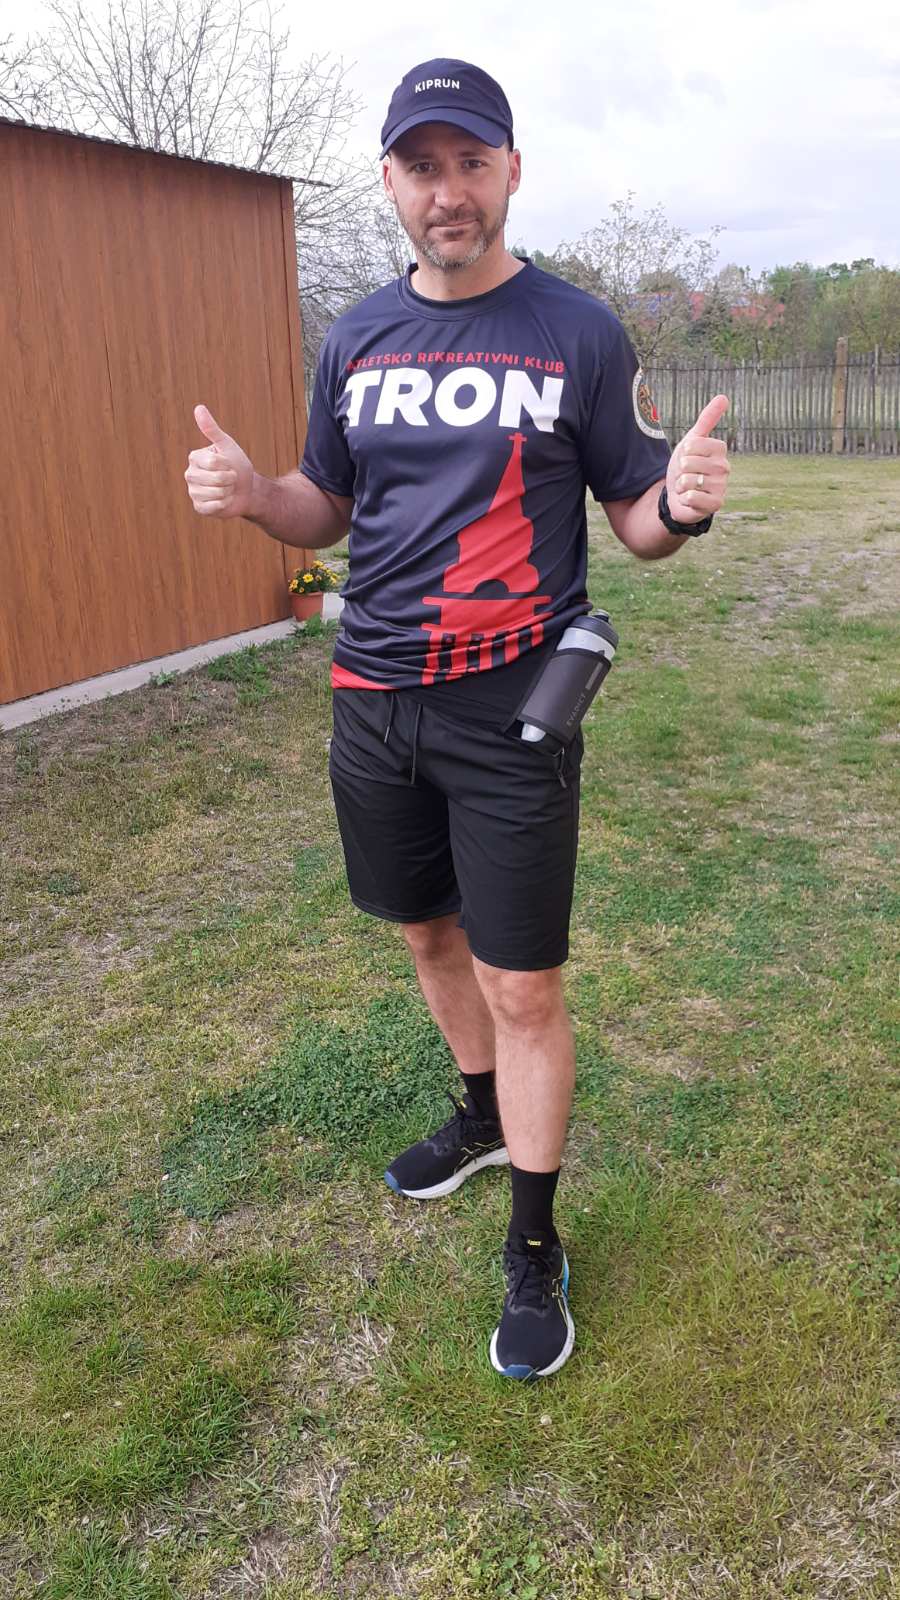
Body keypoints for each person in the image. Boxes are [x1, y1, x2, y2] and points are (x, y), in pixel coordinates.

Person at [184, 57, 731, 1381]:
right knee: (427, 930)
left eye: (471, 163)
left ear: (510, 172)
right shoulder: (357, 337)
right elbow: (327, 502)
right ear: (390, 182)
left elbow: (634, 521)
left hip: (512, 713)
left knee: (522, 980)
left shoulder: (577, 332)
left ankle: (534, 1243)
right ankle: (480, 1116)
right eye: (422, 167)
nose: (448, 191)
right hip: (373, 699)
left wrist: (682, 504)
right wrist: (258, 498)